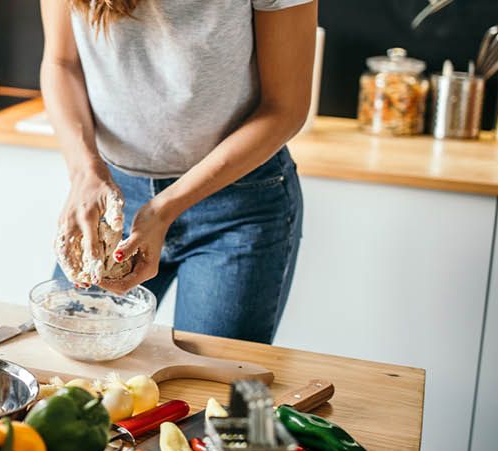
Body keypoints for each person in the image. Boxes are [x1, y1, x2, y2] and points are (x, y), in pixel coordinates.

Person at [42, 0, 316, 343]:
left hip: (236, 208)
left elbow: (286, 108)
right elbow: (60, 61)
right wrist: (84, 171)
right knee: (73, 362)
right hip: (114, 202)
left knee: (220, 389)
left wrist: (166, 208)